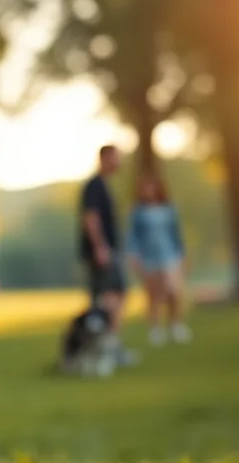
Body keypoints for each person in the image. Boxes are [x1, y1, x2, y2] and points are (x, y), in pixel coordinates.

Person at [78, 145, 134, 364]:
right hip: (103, 253)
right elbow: (90, 217)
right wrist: (100, 247)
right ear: (104, 158)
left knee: (106, 299)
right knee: (110, 298)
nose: (118, 162)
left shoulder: (103, 185)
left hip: (107, 251)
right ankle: (107, 347)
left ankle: (106, 347)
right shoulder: (95, 186)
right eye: (115, 158)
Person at [126, 170, 192, 346]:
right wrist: (133, 256)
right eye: (144, 188)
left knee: (174, 291)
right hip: (149, 257)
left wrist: (183, 254)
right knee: (153, 294)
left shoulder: (168, 209)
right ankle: (155, 329)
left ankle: (176, 325)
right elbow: (133, 237)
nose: (148, 191)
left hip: (169, 255)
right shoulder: (138, 212)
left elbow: (176, 233)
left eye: (151, 187)